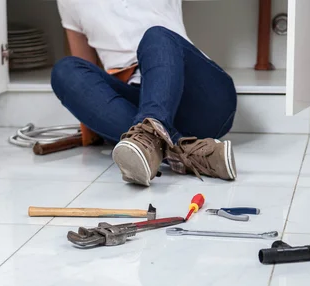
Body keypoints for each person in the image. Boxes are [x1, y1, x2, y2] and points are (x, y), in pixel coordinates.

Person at [51, 0, 238, 187]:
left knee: (155, 36)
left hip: (199, 97)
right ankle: (180, 149)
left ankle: (153, 134)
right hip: (137, 101)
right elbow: (87, 70)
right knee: (65, 70)